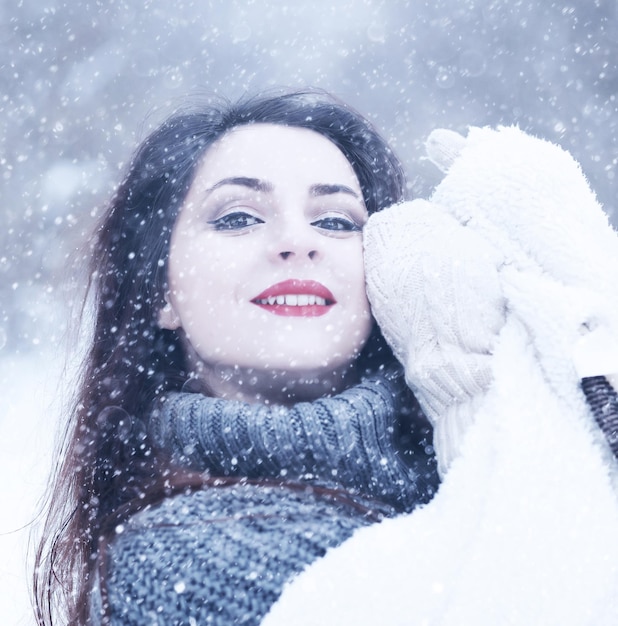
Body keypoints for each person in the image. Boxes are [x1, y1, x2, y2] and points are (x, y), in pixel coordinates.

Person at [33, 89, 440, 626]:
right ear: (162, 292)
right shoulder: (177, 562)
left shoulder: (470, 454)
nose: (298, 240)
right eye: (238, 217)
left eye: (338, 222)